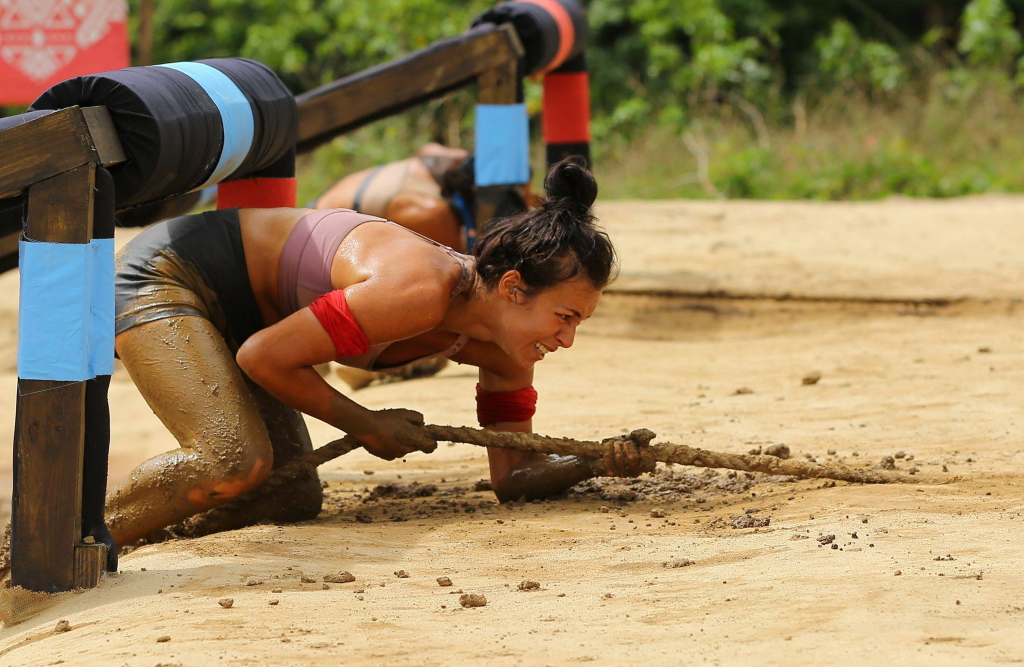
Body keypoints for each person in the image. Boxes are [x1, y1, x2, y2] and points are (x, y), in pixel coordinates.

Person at [105, 157, 652, 547]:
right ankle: (53, 548)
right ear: (511, 288)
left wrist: (593, 460)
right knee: (232, 460)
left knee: (285, 497)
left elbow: (513, 478)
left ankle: (150, 535)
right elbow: (262, 358)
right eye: (565, 317)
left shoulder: (509, 354)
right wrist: (368, 424)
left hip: (245, 317)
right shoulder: (418, 292)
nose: (568, 340)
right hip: (167, 275)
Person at [311, 142, 533, 252]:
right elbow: (464, 278)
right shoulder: (430, 212)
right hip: (313, 243)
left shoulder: (441, 157)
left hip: (317, 214)